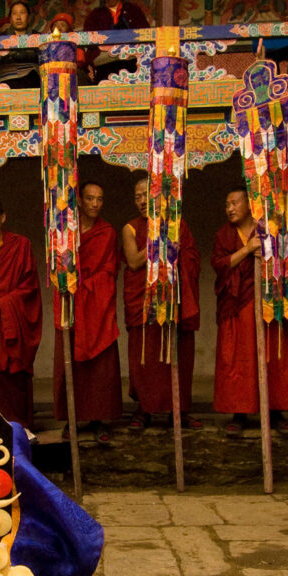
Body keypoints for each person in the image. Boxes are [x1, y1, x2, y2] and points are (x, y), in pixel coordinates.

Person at [212, 188, 288, 435]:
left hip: (268, 303)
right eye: (227, 204)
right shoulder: (224, 235)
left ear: (250, 205)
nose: (229, 208)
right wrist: (248, 248)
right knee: (239, 359)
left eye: (234, 203)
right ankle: (239, 413)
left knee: (273, 357)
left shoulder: (269, 229)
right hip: (238, 306)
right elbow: (219, 264)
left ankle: (276, 411)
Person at [123, 174, 202, 431]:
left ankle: (178, 409)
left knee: (177, 356)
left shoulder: (177, 225)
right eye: (136, 197)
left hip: (173, 301)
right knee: (145, 359)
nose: (141, 201)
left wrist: (177, 251)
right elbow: (134, 261)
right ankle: (144, 409)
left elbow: (191, 258)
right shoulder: (131, 228)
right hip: (144, 303)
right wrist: (159, 245)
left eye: (146, 195)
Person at [52, 182, 122, 441]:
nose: (95, 204)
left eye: (100, 199)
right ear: (79, 201)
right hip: (69, 305)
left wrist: (86, 288)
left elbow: (109, 269)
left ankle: (99, 419)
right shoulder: (65, 231)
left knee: (99, 368)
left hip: (97, 306)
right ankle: (73, 419)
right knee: (70, 363)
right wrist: (69, 287)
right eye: (90, 198)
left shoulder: (107, 232)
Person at [0, 198, 42, 425]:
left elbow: (30, 285)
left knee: (12, 372)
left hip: (8, 317)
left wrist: (6, 303)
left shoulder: (19, 245)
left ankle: (16, 423)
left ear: (3, 217)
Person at [81, 0, 150, 83]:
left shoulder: (133, 9)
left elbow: (145, 31)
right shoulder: (95, 14)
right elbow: (88, 37)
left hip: (131, 56)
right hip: (104, 59)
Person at [0, 1, 40, 89]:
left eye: (22, 13)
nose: (18, 17)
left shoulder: (38, 37)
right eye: (14, 14)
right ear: (10, 18)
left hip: (32, 81)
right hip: (5, 82)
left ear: (28, 17)